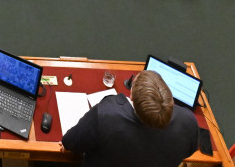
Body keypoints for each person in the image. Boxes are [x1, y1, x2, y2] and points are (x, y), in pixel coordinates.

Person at [62, 69, 197, 167]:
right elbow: (188, 152)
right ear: (169, 98)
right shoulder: (188, 121)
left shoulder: (106, 114)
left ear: (131, 96)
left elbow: (70, 143)